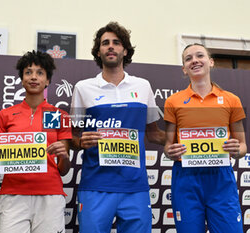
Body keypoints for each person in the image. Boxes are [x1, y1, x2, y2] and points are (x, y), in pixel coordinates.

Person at [70, 22, 165, 233]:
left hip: (135, 188)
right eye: (105, 43)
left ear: (125, 50)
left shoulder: (143, 86)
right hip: (95, 186)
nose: (110, 47)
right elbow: (72, 137)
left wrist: (184, 140)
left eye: (116, 42)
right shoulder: (83, 88)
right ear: (98, 51)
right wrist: (80, 142)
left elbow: (154, 134)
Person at [0, 50, 72, 233]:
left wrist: (64, 156)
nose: (34, 77)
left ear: (47, 81)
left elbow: (64, 170)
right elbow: (2, 164)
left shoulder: (59, 115)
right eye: (28, 72)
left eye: (40, 73)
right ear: (22, 79)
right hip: (13, 194)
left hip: (50, 194)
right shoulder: (5, 115)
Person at [164, 43, 246, 233]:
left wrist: (237, 149)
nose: (195, 60)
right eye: (188, 58)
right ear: (184, 69)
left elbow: (242, 147)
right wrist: (170, 151)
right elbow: (168, 147)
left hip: (220, 177)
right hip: (186, 178)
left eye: (199, 55)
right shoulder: (173, 101)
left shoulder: (231, 100)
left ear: (210, 61)